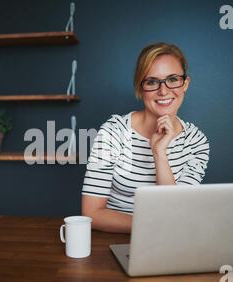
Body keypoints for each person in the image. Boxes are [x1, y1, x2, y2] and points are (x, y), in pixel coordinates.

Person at [81, 42, 210, 234]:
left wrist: (160, 153)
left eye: (173, 79)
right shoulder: (113, 131)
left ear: (186, 83)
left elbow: (174, 211)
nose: (164, 91)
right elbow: (92, 213)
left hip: (170, 240)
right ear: (140, 88)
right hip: (116, 238)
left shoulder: (196, 142)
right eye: (152, 82)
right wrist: (152, 227)